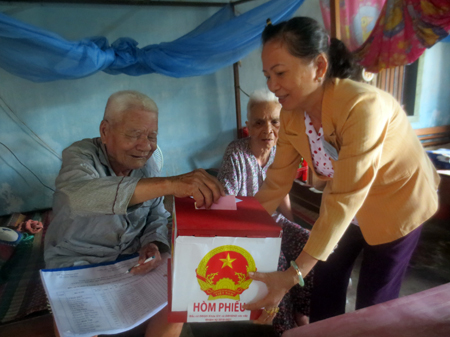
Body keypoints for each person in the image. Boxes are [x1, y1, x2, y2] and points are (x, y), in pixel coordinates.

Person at [243, 17, 440, 323]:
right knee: (326, 276)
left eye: (280, 73)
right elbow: (276, 183)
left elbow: (345, 198)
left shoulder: (363, 107)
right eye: (268, 75)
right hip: (347, 205)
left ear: (319, 68)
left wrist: (291, 275)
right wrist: (235, 227)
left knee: (374, 301)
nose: (271, 85)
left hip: (397, 203)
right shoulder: (293, 116)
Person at [44, 90, 224, 337]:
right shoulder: (80, 155)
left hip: (131, 262)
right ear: (105, 131)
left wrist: (154, 243)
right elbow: (79, 196)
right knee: (78, 325)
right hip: (79, 263)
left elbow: (157, 215)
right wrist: (170, 183)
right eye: (134, 134)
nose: (146, 146)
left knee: (178, 300)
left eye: (152, 136)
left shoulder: (149, 165)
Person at [217, 89, 312, 335]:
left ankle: (303, 312)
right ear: (248, 125)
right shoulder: (236, 153)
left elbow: (282, 191)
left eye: (274, 122)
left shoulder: (281, 151)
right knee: (278, 264)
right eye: (259, 122)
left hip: (274, 222)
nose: (267, 130)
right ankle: (284, 327)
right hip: (245, 229)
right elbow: (227, 203)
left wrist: (291, 224)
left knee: (308, 244)